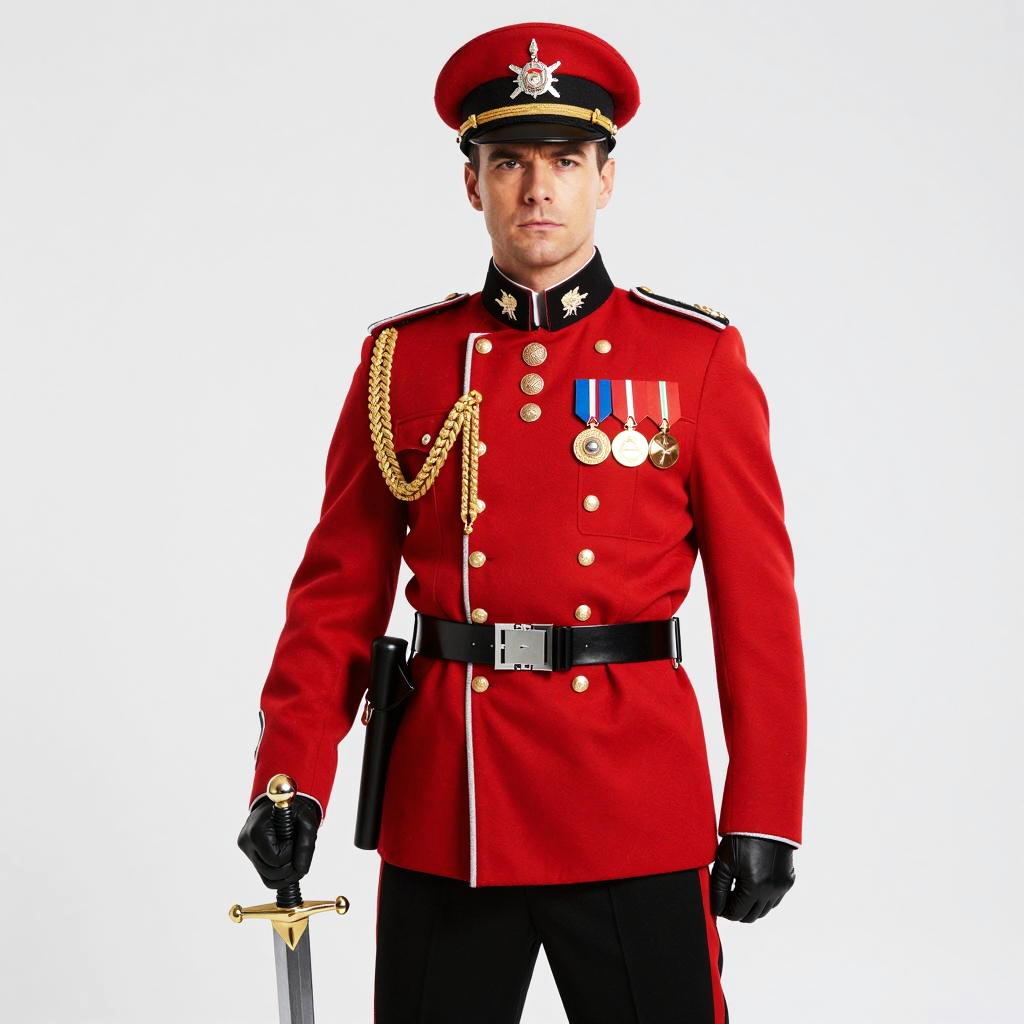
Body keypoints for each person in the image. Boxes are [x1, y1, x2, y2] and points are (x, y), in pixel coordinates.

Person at [237, 21, 807, 1024]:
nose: (536, 190)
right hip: (453, 804)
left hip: (632, 801)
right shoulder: (401, 361)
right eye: (508, 163)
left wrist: (764, 808)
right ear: (473, 184)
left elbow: (758, 605)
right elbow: (335, 591)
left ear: (605, 178)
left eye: (562, 162)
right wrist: (290, 774)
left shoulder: (693, 360)